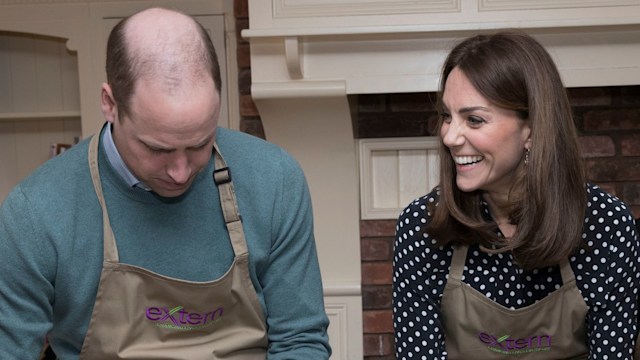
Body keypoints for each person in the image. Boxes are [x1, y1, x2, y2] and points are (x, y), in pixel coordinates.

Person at [0, 7, 331, 359]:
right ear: (110, 104)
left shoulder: (275, 180)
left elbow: (301, 341)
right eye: (157, 148)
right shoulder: (35, 214)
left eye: (200, 143)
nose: (181, 171)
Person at [393, 31, 639, 359]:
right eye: (447, 116)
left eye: (474, 120)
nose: (450, 137)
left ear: (533, 128)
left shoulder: (606, 224)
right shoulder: (422, 226)